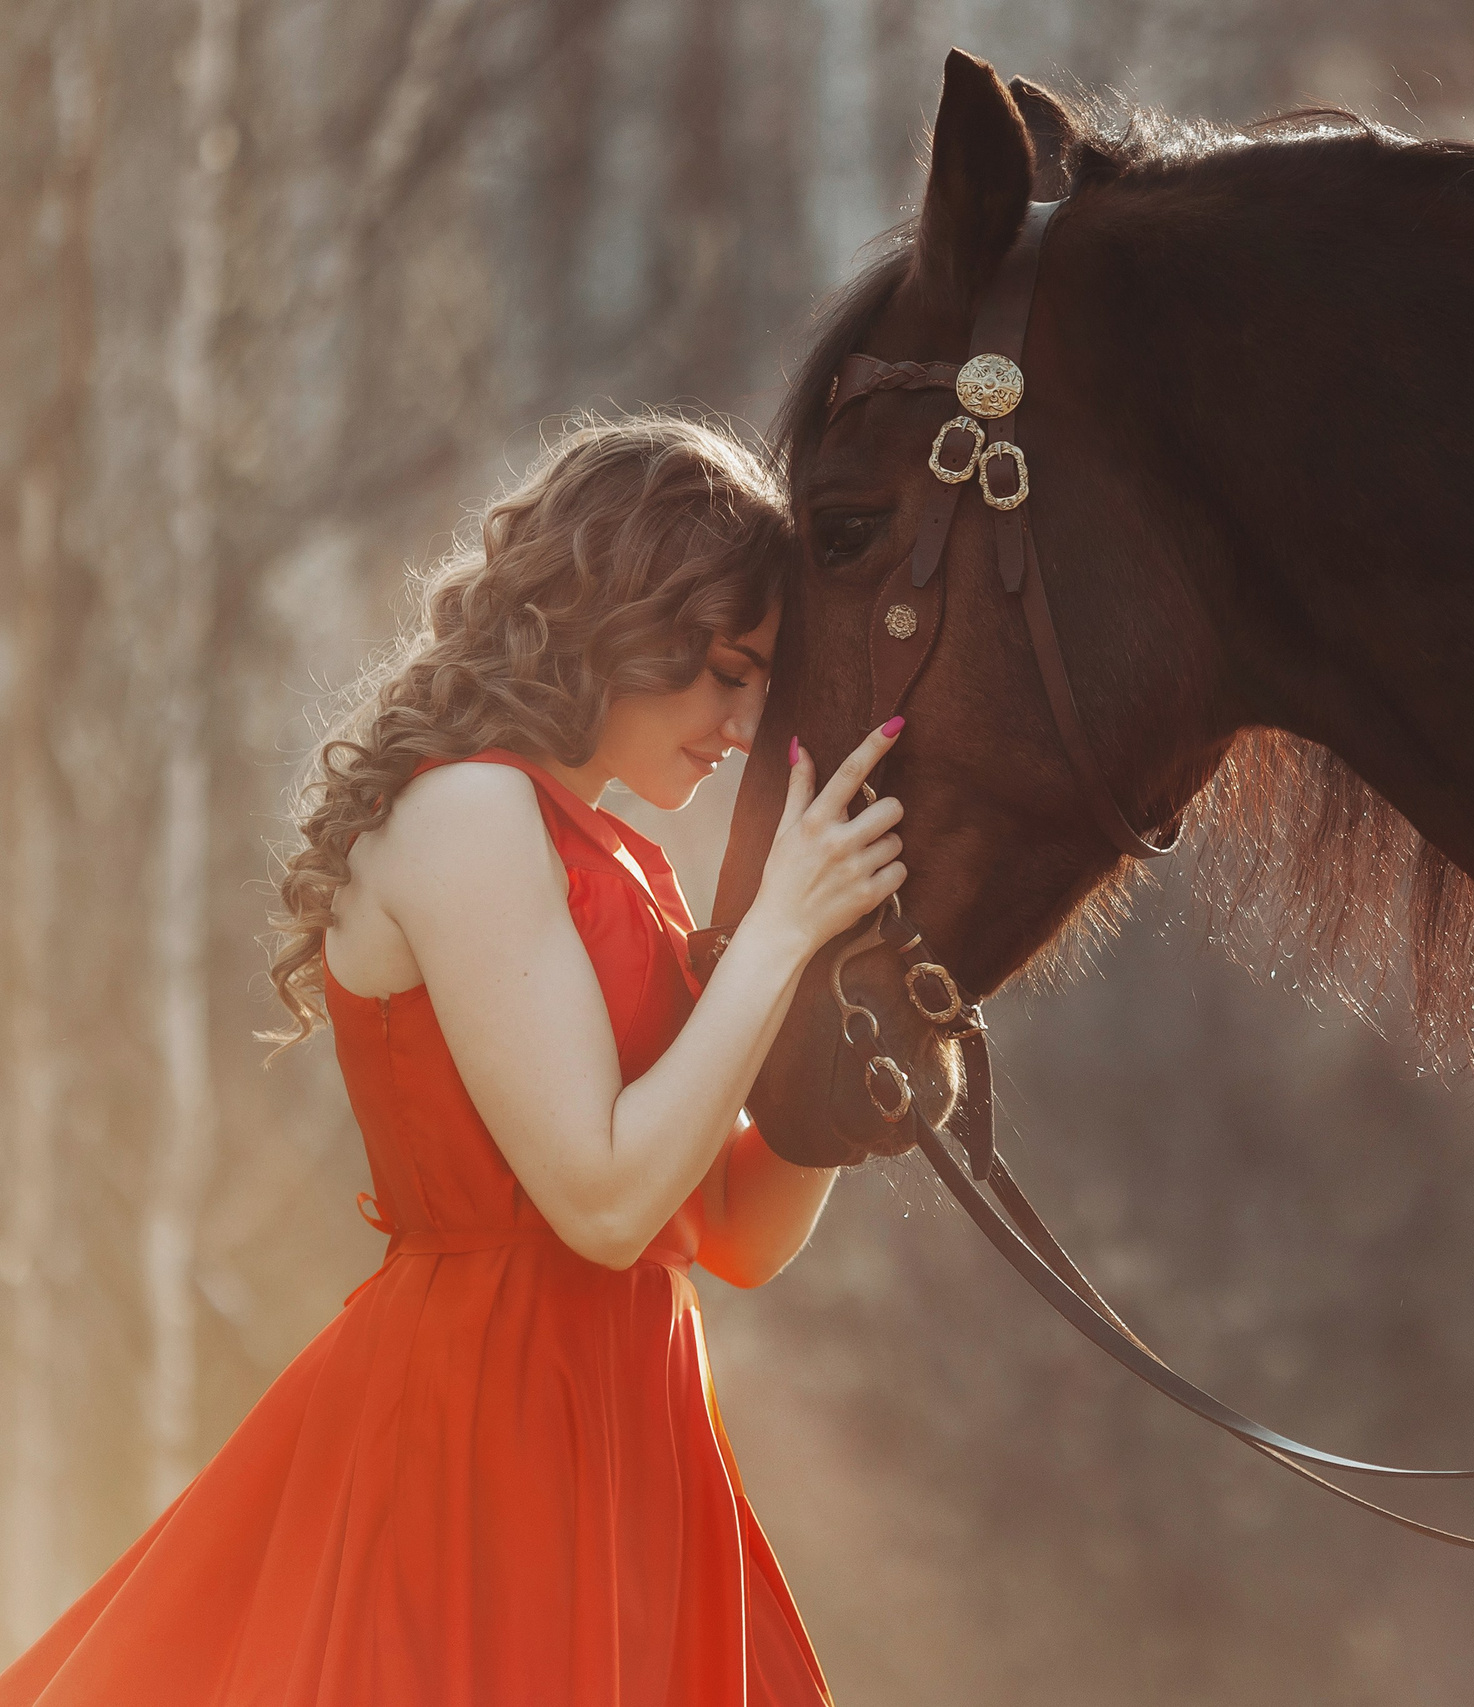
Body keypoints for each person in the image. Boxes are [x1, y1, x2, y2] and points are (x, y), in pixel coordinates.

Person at [0, 412, 904, 1706]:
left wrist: (844, 1048)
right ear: (617, 620)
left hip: (634, 1428)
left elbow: (728, 1234)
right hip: (486, 1435)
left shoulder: (628, 862)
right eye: (723, 668)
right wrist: (777, 938)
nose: (741, 719)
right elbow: (598, 1202)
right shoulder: (469, 813)